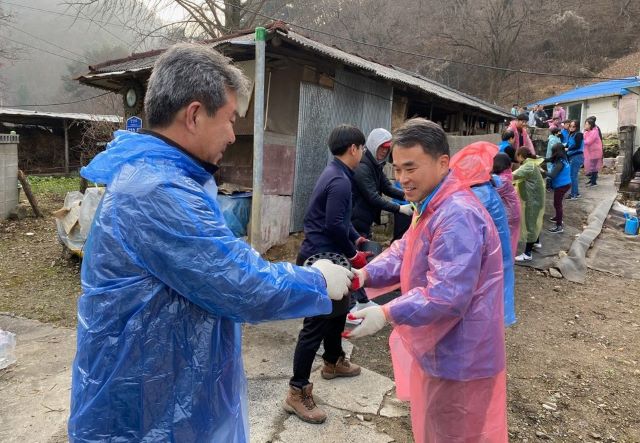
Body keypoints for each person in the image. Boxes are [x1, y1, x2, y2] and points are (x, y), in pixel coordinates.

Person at [68, 44, 355, 442]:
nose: (233, 134)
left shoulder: (166, 177)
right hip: (146, 412)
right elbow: (240, 284)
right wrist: (318, 282)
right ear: (195, 114)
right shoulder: (156, 190)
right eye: (230, 119)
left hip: (166, 395)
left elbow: (213, 262)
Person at [346, 118, 507, 443]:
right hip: (441, 345)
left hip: (462, 354)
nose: (402, 179)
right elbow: (404, 250)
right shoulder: (432, 205)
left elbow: (448, 293)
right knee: (433, 428)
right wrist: (363, 274)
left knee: (453, 434)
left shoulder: (457, 214)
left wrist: (386, 312)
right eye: (397, 170)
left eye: (410, 168)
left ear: (442, 162)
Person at [285, 124, 367, 424]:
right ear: (354, 149)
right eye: (363, 148)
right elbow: (333, 224)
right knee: (315, 324)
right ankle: (296, 391)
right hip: (321, 261)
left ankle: (332, 362)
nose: (363, 153)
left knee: (339, 310)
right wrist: (354, 252)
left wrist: (355, 238)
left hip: (331, 256)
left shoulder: (336, 173)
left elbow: (341, 220)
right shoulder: (341, 181)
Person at [450, 142, 516, 327]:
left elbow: (461, 221)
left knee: (487, 303)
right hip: (496, 254)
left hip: (493, 257)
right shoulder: (486, 186)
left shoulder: (480, 194)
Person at [513, 147, 546, 261]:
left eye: (517, 155)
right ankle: (536, 242)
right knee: (534, 221)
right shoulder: (531, 163)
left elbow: (513, 175)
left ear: (520, 155)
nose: (516, 158)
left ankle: (527, 254)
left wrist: (495, 177)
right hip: (535, 198)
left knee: (530, 223)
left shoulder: (528, 166)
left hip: (533, 200)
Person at [493, 152, 521, 258]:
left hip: (511, 214)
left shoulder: (503, 180)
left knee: (507, 241)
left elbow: (490, 192)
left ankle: (505, 264)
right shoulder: (505, 174)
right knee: (509, 239)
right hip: (511, 211)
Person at [542, 143, 571, 233]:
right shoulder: (561, 158)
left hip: (562, 185)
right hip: (564, 184)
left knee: (557, 204)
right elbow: (547, 159)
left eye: (553, 151)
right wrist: (536, 158)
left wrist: (542, 171)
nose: (552, 153)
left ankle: (559, 226)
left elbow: (552, 175)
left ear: (556, 152)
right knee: (557, 204)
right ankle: (557, 218)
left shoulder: (560, 162)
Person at [566, 120, 584, 199]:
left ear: (576, 127)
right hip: (572, 156)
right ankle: (575, 193)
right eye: (570, 126)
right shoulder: (571, 134)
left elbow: (577, 145)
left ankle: (574, 195)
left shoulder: (579, 134)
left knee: (573, 176)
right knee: (573, 176)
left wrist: (568, 148)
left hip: (576, 156)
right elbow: (568, 144)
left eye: (573, 126)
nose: (571, 128)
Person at [583, 118, 603, 187]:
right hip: (590, 152)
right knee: (591, 166)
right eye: (585, 124)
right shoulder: (586, 132)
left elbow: (589, 141)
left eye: (586, 124)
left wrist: (581, 141)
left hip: (595, 152)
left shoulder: (594, 132)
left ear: (590, 125)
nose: (585, 125)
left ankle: (594, 182)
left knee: (594, 167)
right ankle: (591, 180)